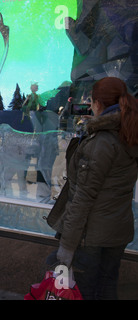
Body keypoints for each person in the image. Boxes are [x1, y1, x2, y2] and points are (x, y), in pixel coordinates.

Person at [47, 77, 138, 299]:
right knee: (107, 287)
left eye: (91, 100)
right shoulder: (128, 132)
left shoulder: (102, 141)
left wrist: (67, 246)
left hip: (92, 236)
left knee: (83, 291)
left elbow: (83, 197)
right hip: (117, 232)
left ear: (98, 103)